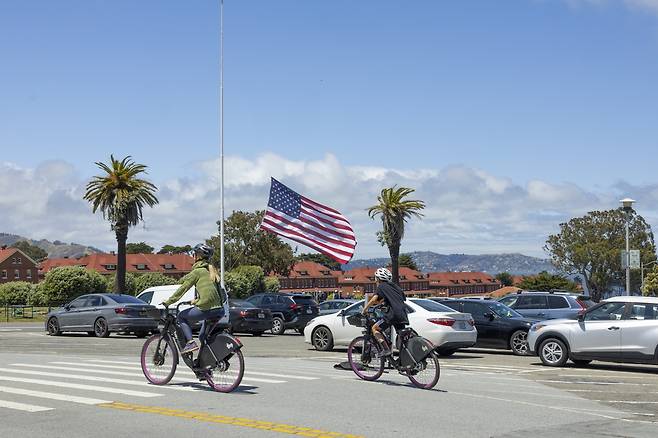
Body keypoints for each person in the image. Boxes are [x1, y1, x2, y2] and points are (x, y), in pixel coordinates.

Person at [162, 243, 225, 354]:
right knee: (202, 337)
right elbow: (212, 293)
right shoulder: (211, 271)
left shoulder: (197, 272)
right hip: (219, 309)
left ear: (198, 256)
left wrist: (168, 302)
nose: (193, 256)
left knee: (181, 316)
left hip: (207, 308)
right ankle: (205, 365)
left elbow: (183, 288)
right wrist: (195, 301)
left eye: (194, 254)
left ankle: (190, 342)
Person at [361, 267, 408, 356]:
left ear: (378, 278)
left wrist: (365, 309)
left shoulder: (381, 286)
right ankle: (403, 360)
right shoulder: (396, 287)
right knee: (401, 336)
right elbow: (398, 298)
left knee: (375, 328)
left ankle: (386, 349)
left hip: (392, 314)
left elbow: (374, 299)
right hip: (402, 313)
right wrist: (383, 302)